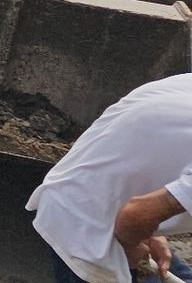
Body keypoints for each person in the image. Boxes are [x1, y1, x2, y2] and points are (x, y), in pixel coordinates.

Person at [28, 74, 192, 282]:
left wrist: (151, 228)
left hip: (84, 195)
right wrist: (131, 244)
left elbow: (146, 149)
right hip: (88, 226)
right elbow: (137, 213)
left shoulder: (184, 85)